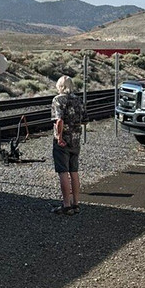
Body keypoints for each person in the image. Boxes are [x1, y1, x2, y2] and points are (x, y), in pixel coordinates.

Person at [51, 75, 86, 215]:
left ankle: (66, 204)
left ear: (59, 86)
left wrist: (59, 137)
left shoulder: (58, 100)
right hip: (75, 140)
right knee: (74, 171)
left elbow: (59, 120)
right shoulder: (78, 100)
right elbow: (85, 119)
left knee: (63, 172)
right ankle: (76, 203)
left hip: (63, 141)